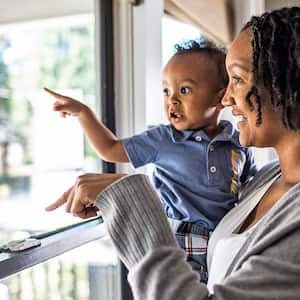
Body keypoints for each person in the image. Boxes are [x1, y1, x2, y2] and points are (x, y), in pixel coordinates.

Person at [46, 6, 300, 298]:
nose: (227, 97)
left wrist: (133, 206)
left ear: (291, 86)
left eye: (238, 79)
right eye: (167, 91)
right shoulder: (267, 179)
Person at [45, 39, 257, 282]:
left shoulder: (237, 141)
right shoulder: (163, 139)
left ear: (220, 98)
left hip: (225, 236)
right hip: (179, 235)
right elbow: (111, 148)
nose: (172, 101)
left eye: (184, 90)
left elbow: (250, 188)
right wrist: (84, 114)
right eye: (166, 91)